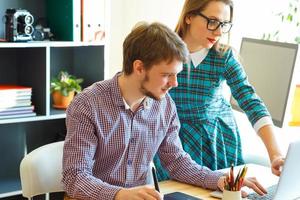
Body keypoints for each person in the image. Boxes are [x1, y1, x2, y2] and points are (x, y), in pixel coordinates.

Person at [62, 22, 267, 200]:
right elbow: (75, 177)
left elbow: (176, 161)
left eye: (176, 74)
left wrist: (219, 180)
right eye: (167, 75)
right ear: (139, 67)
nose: (175, 83)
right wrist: (120, 195)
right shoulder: (88, 104)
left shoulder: (164, 105)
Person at [154, 0, 285, 182]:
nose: (219, 32)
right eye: (212, 21)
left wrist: (275, 154)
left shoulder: (224, 57)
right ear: (189, 16)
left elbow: (250, 101)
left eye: (224, 25)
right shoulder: (160, 52)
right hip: (173, 142)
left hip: (215, 142)